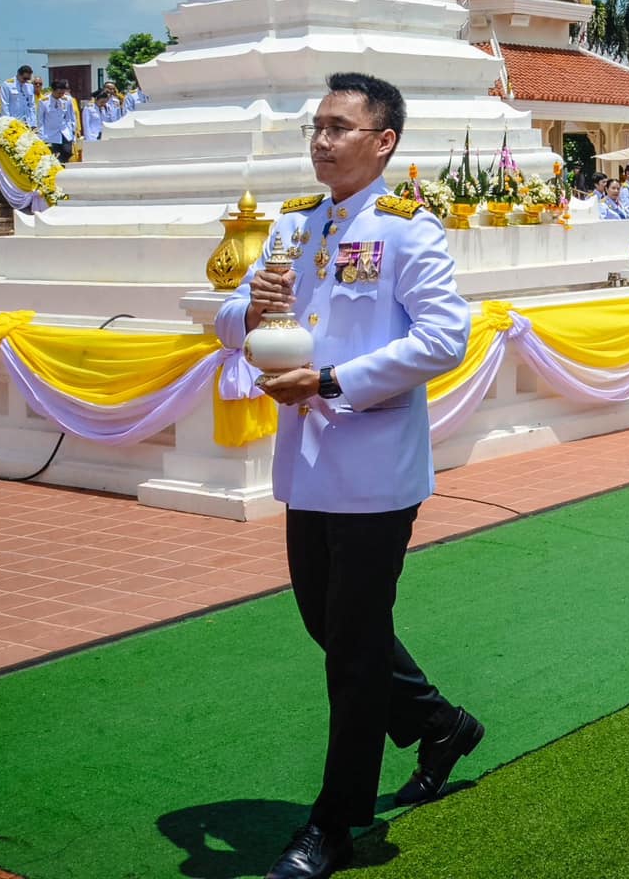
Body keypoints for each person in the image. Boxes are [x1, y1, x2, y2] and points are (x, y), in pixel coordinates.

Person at [216, 72, 478, 879]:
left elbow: (445, 339)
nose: (322, 141)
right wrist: (254, 309)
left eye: (340, 127)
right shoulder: (294, 226)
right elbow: (231, 320)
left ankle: (334, 823)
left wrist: (332, 381)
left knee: (353, 652)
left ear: (383, 142)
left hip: (372, 466)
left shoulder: (408, 230)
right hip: (306, 464)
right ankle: (441, 723)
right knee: (328, 625)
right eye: (318, 127)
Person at [36, 80, 77, 165]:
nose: (61, 95)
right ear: (53, 90)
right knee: (55, 157)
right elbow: (40, 121)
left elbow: (71, 117)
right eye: (59, 93)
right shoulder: (44, 101)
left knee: (67, 152)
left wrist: (72, 131)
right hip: (50, 134)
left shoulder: (67, 100)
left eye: (63, 93)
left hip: (64, 132)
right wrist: (41, 136)